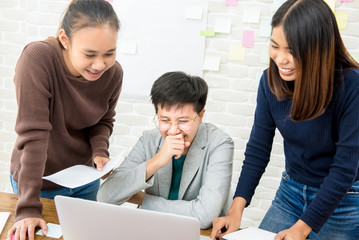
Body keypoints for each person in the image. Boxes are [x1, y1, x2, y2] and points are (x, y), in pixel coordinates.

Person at [210, 0, 359, 239]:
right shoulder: (269, 81)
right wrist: (236, 210)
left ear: (318, 48)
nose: (281, 59)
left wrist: (302, 228)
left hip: (344, 199)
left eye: (292, 50)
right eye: (274, 46)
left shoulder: (352, 86)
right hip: (290, 192)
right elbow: (258, 149)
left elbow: (344, 169)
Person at [7, 0, 122, 239]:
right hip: (38, 182)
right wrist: (28, 207)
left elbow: (103, 120)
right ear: (65, 40)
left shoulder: (114, 73)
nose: (100, 64)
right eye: (89, 54)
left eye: (109, 53)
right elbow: (34, 135)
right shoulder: (38, 59)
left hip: (83, 180)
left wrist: (100, 151)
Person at [97, 71, 234, 229]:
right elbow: (105, 196)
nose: (173, 131)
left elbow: (204, 216)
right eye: (165, 120)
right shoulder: (149, 139)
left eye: (183, 121)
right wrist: (157, 161)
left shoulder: (220, 144)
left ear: (201, 115)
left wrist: (142, 199)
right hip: (155, 228)